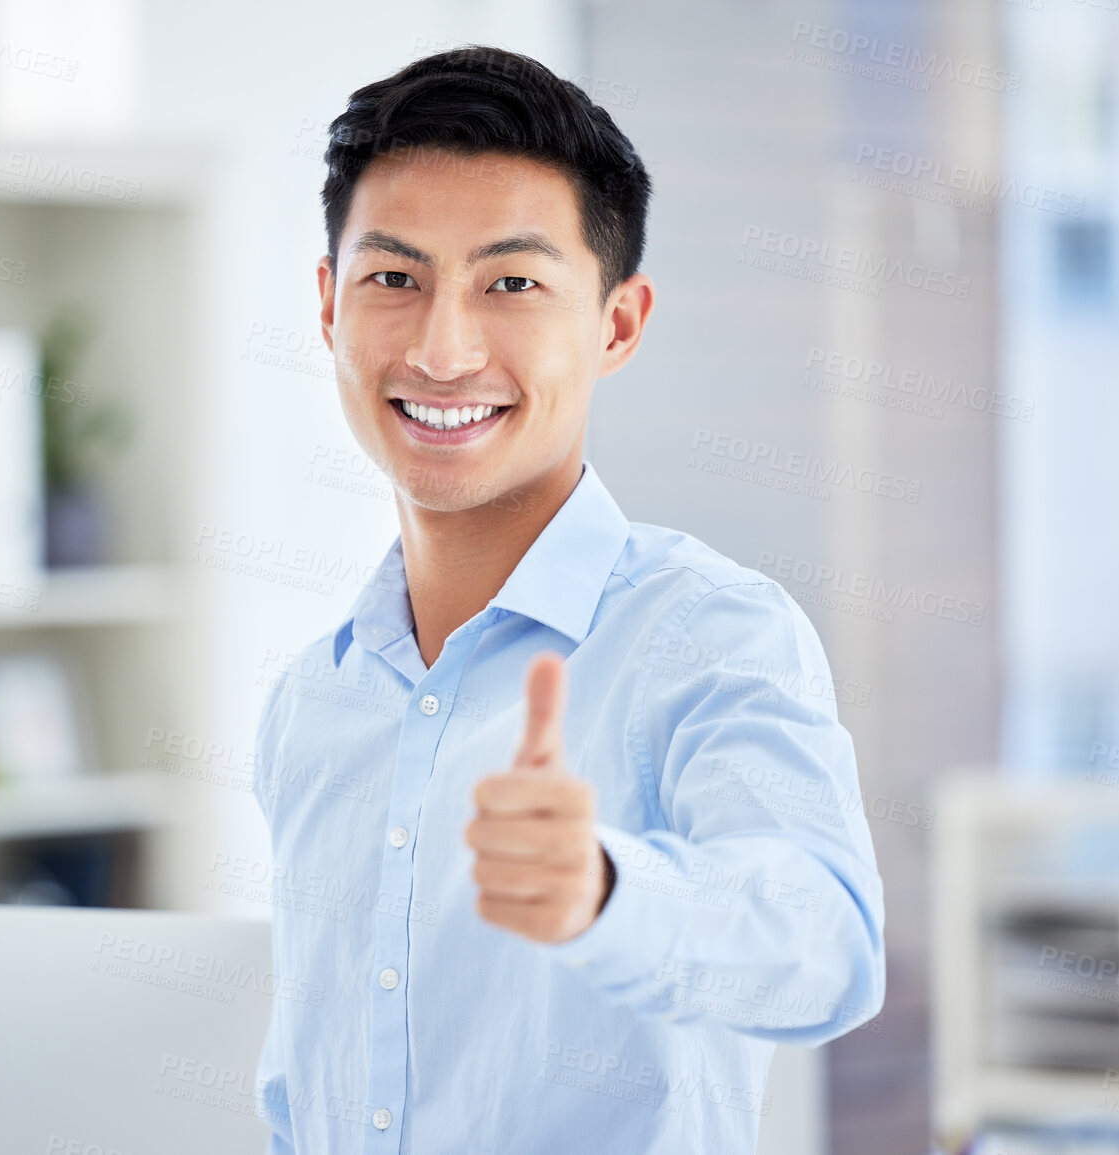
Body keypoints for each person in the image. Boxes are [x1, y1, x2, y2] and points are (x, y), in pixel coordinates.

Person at [248, 46, 886, 1153]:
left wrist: (603, 891)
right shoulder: (315, 700)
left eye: (512, 284)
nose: (444, 350)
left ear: (617, 325)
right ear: (328, 305)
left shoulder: (707, 636)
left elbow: (825, 946)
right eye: (394, 278)